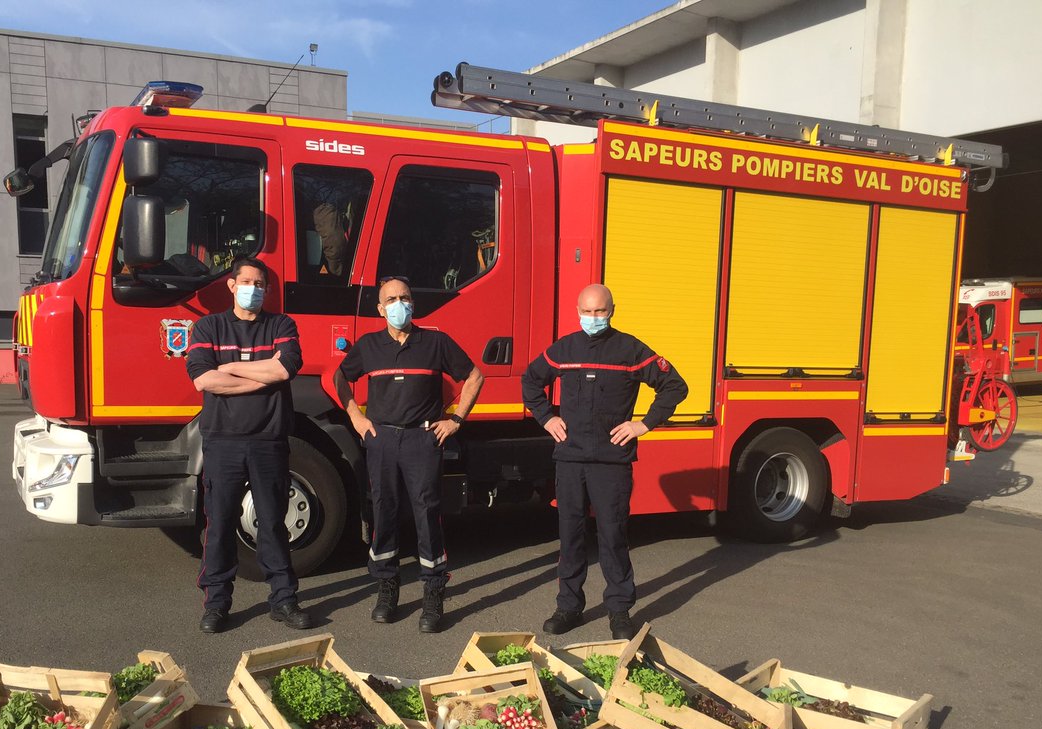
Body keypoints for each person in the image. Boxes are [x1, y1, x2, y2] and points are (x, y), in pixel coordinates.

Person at [521, 283, 688, 640]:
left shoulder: (631, 349)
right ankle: (568, 606)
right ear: (577, 310)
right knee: (571, 535)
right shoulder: (564, 348)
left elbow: (674, 386)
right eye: (586, 311)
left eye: (600, 311)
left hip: (612, 462)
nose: (593, 318)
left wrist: (643, 424)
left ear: (612, 310)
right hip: (570, 459)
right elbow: (531, 380)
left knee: (612, 535)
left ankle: (619, 610)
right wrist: (546, 417)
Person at [333, 276, 484, 633]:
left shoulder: (435, 342)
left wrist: (456, 420)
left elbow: (475, 375)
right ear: (380, 309)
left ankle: (433, 591)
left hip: (422, 439)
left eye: (405, 297)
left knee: (427, 513)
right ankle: (387, 588)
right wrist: (355, 415)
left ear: (412, 303)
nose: (399, 304)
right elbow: (338, 378)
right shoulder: (368, 346)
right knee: (383, 510)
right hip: (382, 439)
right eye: (392, 299)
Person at [185, 256, 314, 634]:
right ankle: (217, 603)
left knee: (273, 522)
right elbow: (203, 381)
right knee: (220, 522)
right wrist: (261, 376)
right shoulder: (208, 326)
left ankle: (284, 600)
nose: (254, 289)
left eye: (260, 284)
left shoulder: (281, 324)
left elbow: (285, 368)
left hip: (268, 438)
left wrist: (229, 368)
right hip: (222, 440)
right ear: (231, 284)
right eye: (247, 282)